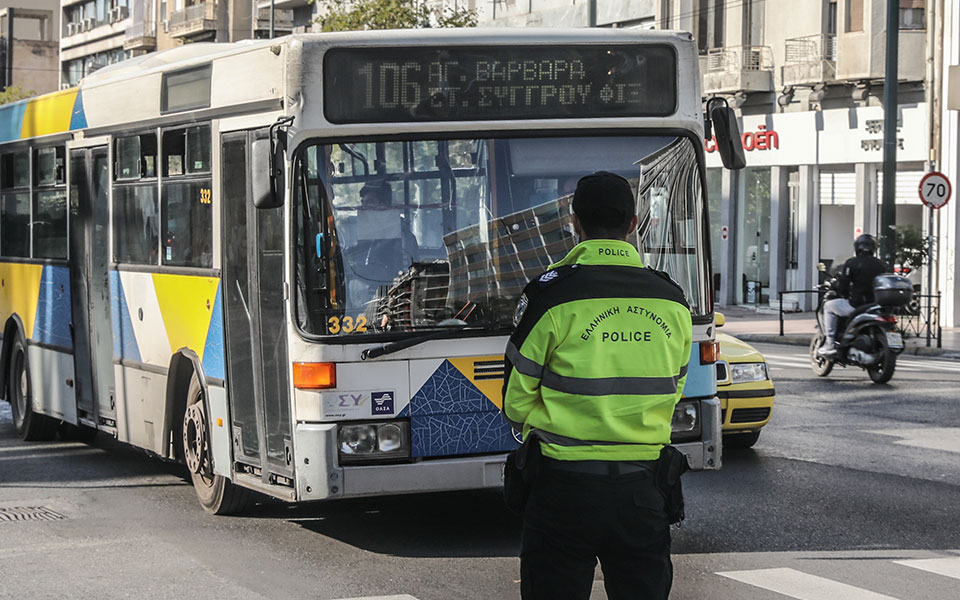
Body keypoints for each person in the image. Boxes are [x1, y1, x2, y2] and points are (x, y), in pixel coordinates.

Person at [502, 171, 693, 600]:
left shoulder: (552, 296)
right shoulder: (672, 300)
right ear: (633, 224)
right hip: (643, 492)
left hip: (563, 491)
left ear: (575, 223)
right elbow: (673, 387)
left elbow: (515, 401)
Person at [818, 233, 889, 358]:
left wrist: (843, 292)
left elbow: (844, 284)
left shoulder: (852, 263)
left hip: (857, 304)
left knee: (829, 306)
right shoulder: (880, 264)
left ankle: (830, 343)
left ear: (857, 247)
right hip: (875, 304)